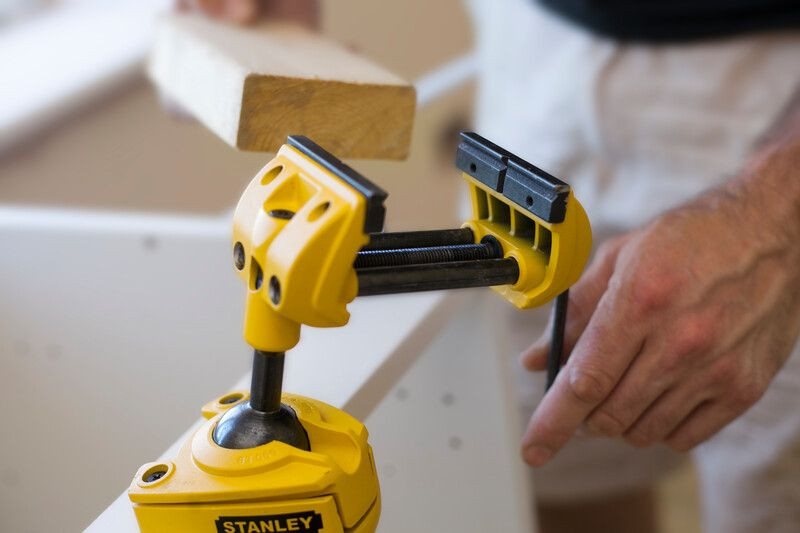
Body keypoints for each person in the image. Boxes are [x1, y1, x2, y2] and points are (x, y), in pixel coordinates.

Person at [187, 1, 800, 531]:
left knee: (769, 497)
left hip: (771, 82)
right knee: (556, 467)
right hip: (536, 41)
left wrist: (774, 220)